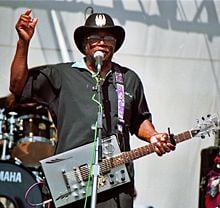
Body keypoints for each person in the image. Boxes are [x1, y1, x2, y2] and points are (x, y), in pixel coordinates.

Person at [10, 9, 176, 208]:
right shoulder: (61, 74)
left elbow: (139, 119)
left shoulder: (128, 78)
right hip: (72, 179)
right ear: (84, 44)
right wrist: (23, 43)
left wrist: (153, 136)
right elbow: (17, 86)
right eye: (95, 37)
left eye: (109, 38)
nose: (102, 42)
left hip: (116, 182)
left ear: (115, 45)